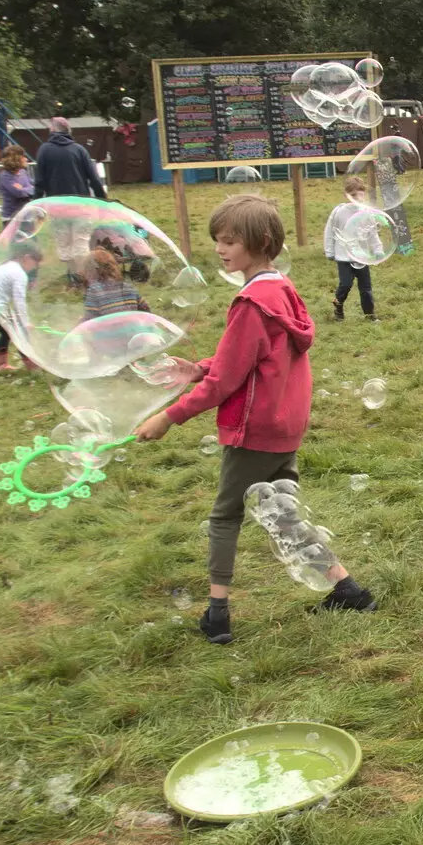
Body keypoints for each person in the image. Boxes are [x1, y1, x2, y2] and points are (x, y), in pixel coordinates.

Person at [132, 194, 377, 646]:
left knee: (225, 517)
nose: (221, 249)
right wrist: (200, 367)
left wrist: (169, 416)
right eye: (217, 241)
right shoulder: (280, 289)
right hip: (284, 421)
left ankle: (217, 615)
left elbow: (227, 383)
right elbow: (248, 360)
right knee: (282, 512)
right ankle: (348, 590)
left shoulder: (250, 302)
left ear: (259, 241)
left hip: (256, 429)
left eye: (229, 241)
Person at [322, 174, 378, 321]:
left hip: (362, 257)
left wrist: (377, 250)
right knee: (345, 285)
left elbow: (372, 233)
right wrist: (329, 250)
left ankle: (370, 315)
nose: (357, 197)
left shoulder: (366, 212)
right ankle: (338, 305)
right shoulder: (339, 212)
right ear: (346, 195)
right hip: (343, 257)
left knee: (366, 289)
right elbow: (330, 231)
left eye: (361, 194)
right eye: (353, 194)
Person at [33, 117, 107, 200]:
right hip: (79, 201)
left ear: (52, 129)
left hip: (55, 202)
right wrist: (103, 200)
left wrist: (35, 203)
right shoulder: (79, 150)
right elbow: (94, 178)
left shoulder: (44, 150)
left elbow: (39, 181)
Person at [0, 239, 41, 370]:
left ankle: (0, 364)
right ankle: (32, 366)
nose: (35, 267)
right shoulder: (19, 274)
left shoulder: (3, 265)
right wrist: (25, 323)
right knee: (19, 332)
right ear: (26, 258)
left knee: (7, 332)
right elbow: (19, 301)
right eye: (35, 263)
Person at [82, 247, 151, 318]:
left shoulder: (94, 291)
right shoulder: (127, 287)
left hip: (109, 328)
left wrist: (80, 322)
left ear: (91, 272)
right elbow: (146, 308)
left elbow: (91, 319)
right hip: (131, 327)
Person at [0, 145, 33, 222]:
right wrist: (28, 189)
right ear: (15, 160)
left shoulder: (23, 172)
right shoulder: (5, 176)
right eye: (23, 157)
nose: (26, 159)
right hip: (12, 218)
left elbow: (35, 188)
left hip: (27, 216)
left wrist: (24, 189)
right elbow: (19, 193)